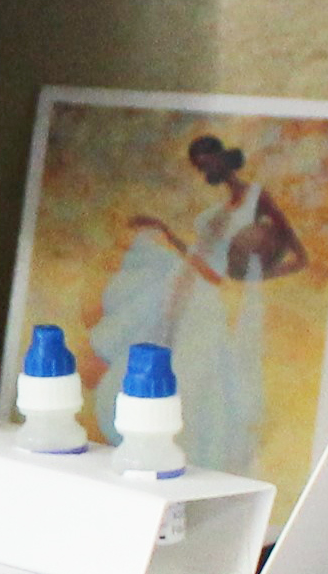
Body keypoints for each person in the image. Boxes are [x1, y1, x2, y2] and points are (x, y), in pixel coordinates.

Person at [96, 133, 307, 477]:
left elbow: (299, 258)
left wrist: (253, 276)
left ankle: (190, 455)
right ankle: (144, 450)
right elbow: (198, 254)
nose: (204, 168)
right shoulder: (218, 210)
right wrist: (164, 230)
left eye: (207, 160)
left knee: (192, 372)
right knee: (155, 356)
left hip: (204, 295)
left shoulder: (257, 197)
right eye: (199, 165)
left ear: (222, 157)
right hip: (179, 287)